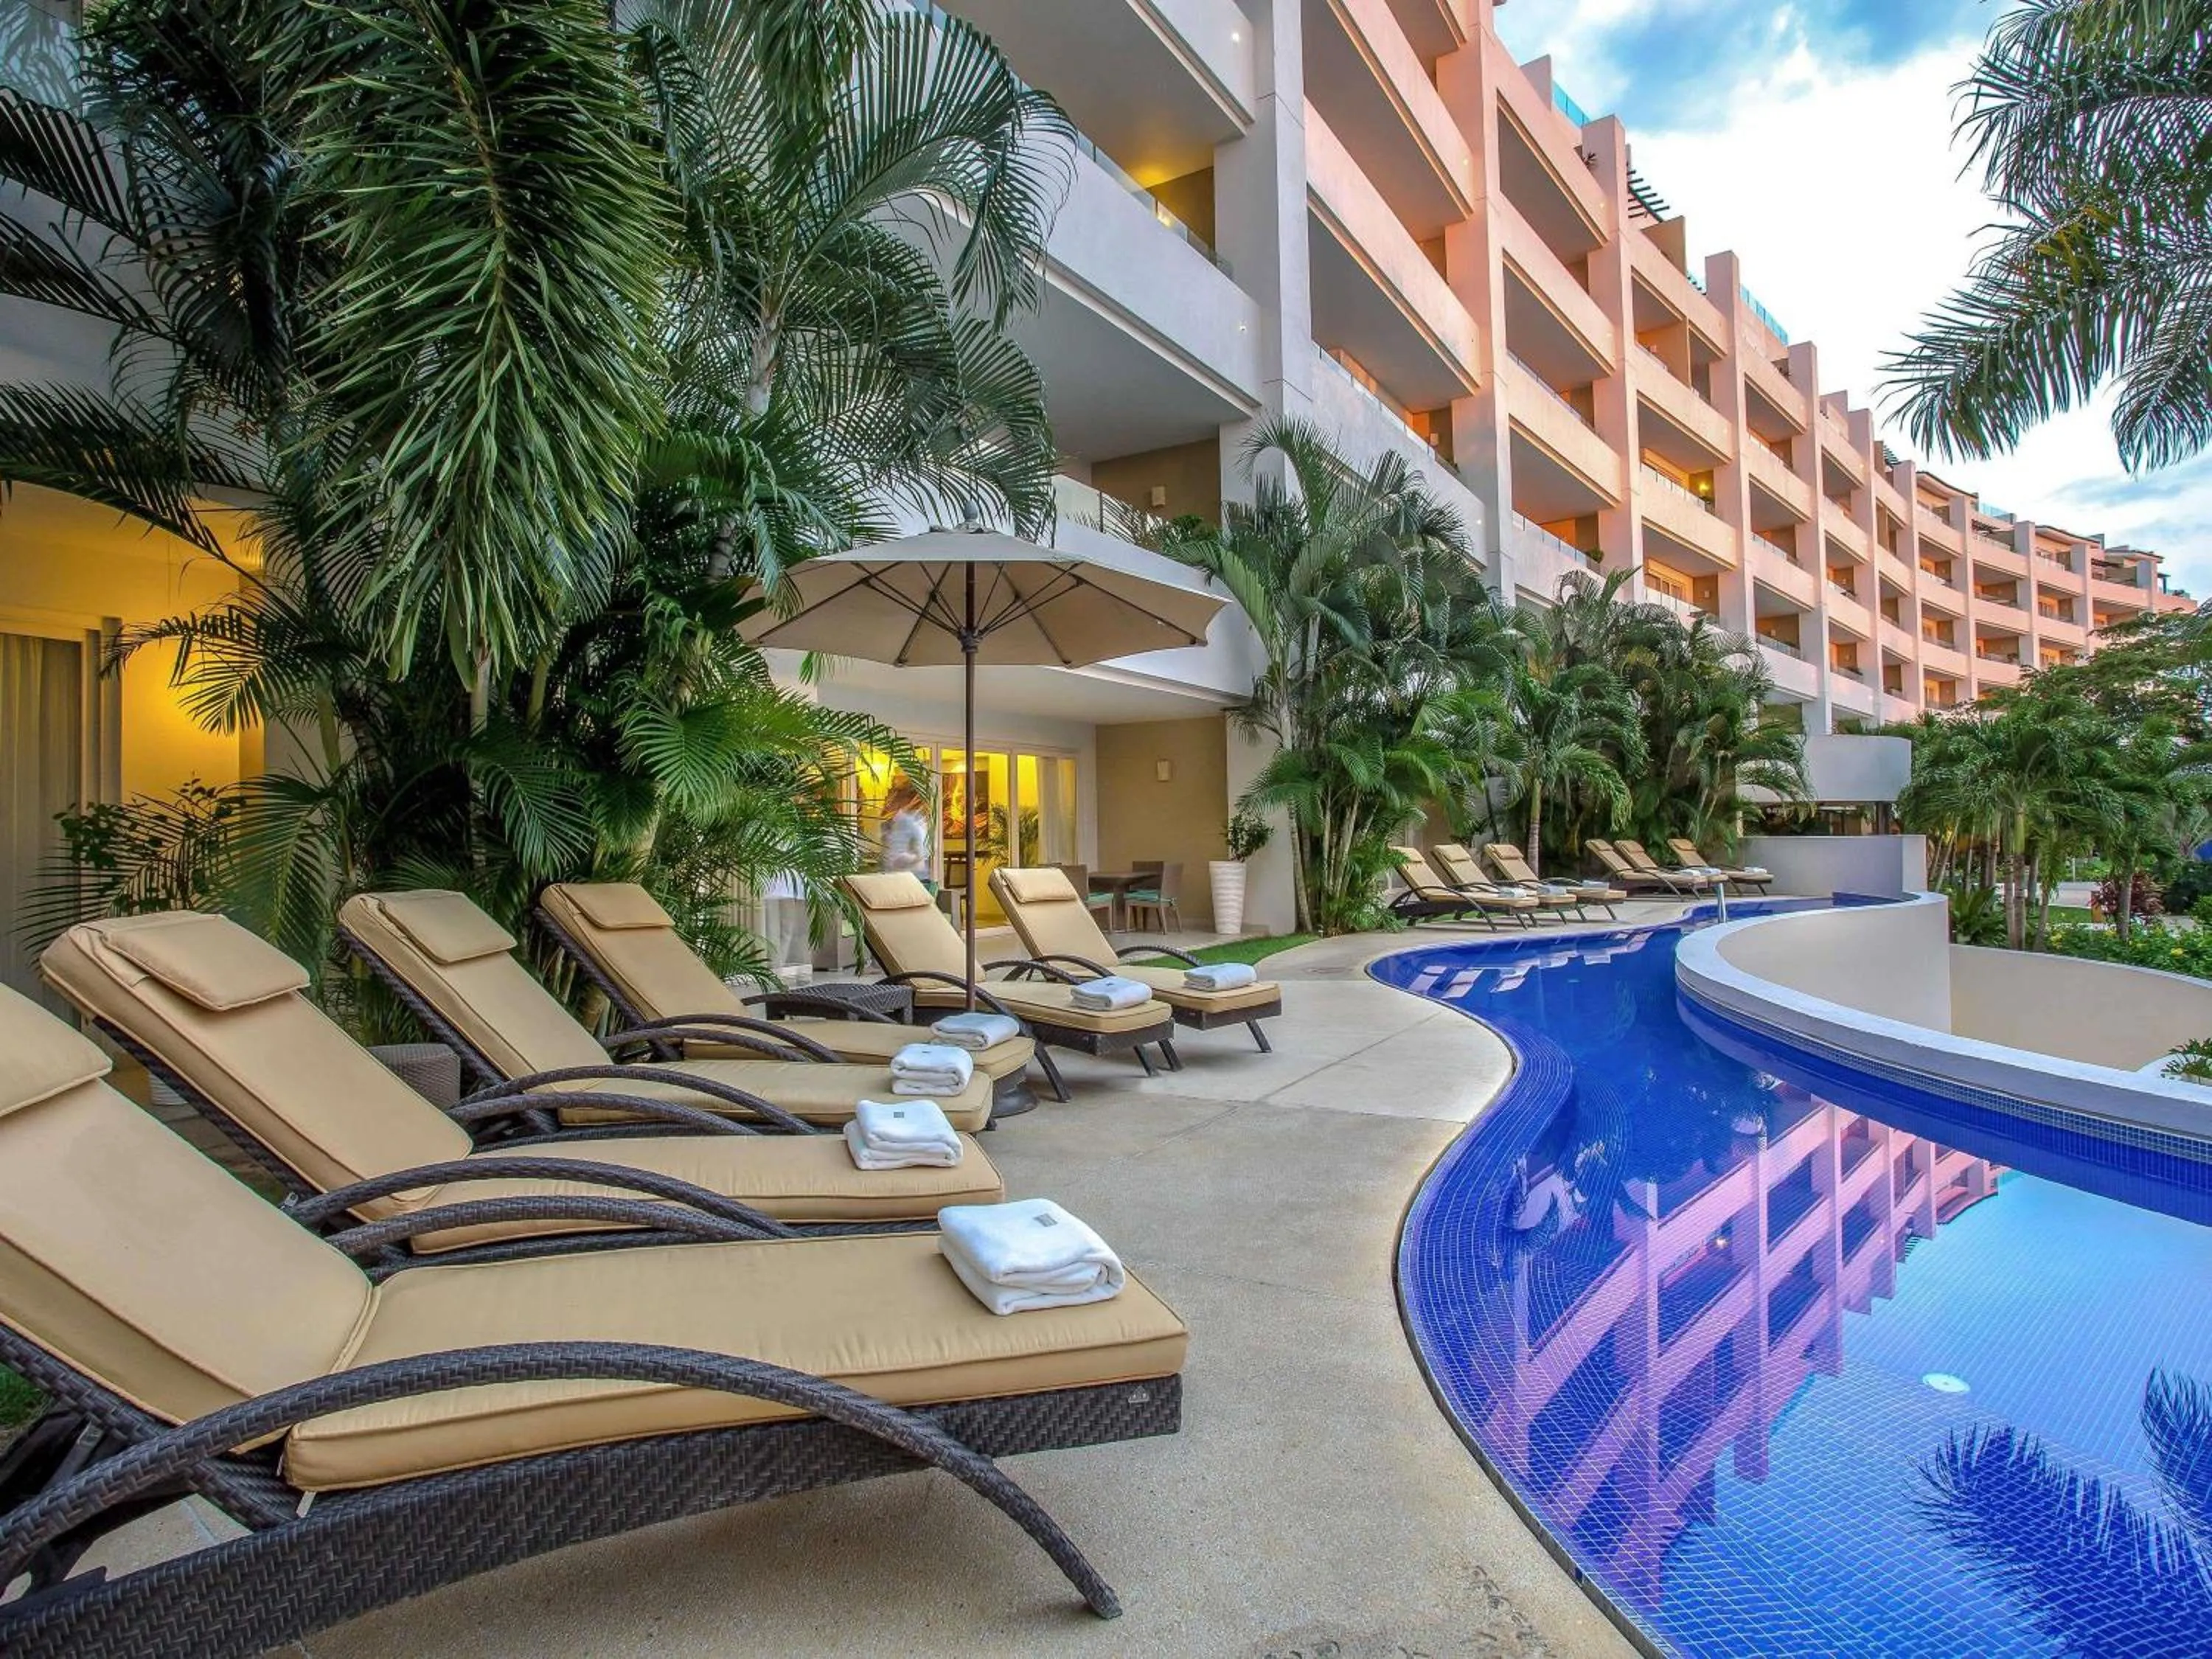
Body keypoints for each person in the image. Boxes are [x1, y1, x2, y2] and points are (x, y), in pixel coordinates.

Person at [878, 779, 933, 888]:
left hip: (908, 881)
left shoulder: (906, 821)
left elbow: (896, 857)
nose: (887, 802)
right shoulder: (918, 819)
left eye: (892, 799)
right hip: (915, 878)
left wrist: (893, 862)